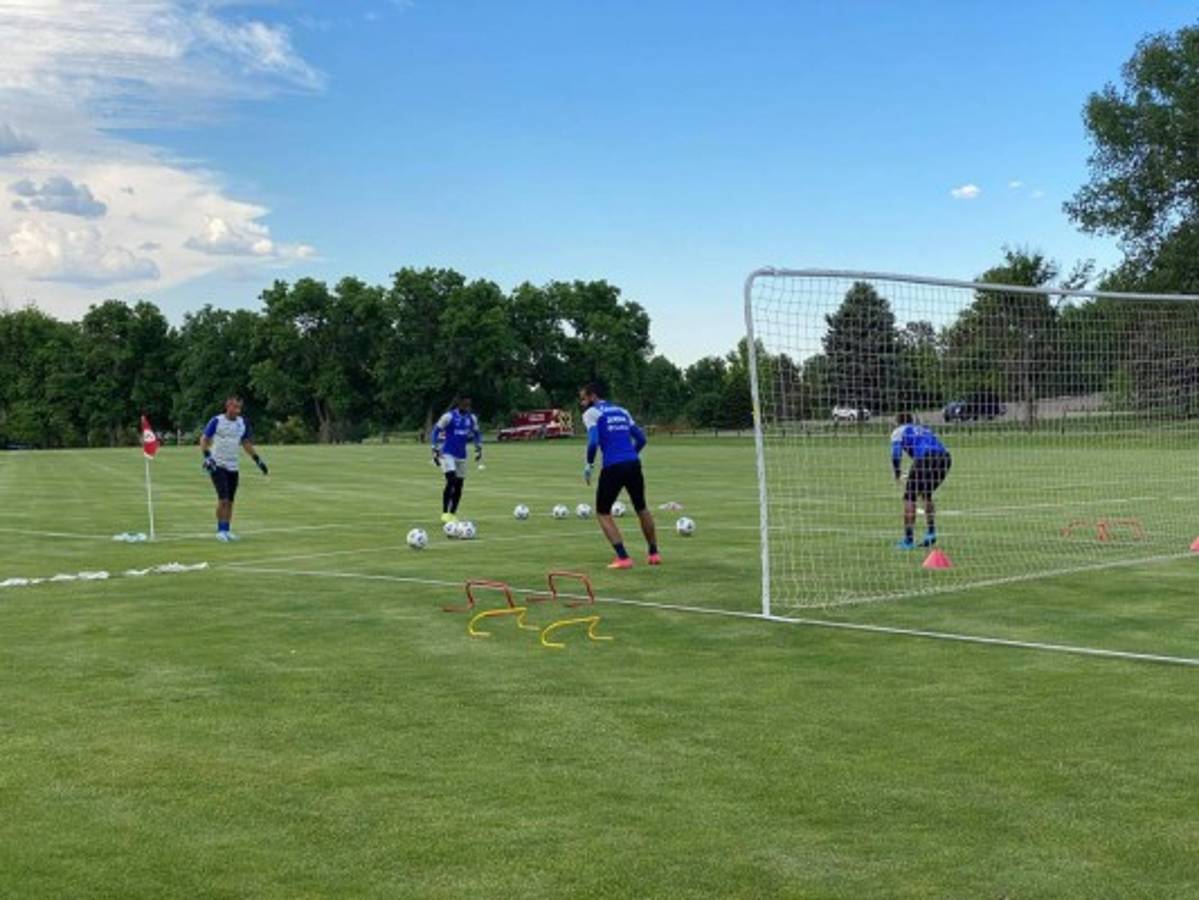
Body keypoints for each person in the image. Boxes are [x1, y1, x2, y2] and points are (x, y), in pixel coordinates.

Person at [580, 383, 660, 569]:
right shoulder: (622, 411)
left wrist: (589, 464)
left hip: (613, 466)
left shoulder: (591, 413)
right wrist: (630, 455)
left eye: (583, 398)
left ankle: (623, 557)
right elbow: (642, 439)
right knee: (641, 508)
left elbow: (593, 442)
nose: (582, 402)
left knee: (602, 512)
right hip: (633, 464)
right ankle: (654, 553)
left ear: (592, 397)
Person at [200, 394, 268, 542]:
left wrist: (258, 461)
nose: (237, 410)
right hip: (217, 464)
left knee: (230, 501)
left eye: (239, 407)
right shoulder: (217, 421)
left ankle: (227, 529)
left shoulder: (242, 423)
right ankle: (220, 530)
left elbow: (246, 443)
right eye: (235, 407)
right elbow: (204, 439)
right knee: (223, 499)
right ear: (228, 406)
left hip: (233, 466)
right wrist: (207, 457)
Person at [890, 412, 951, 550]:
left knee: (909, 498)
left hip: (925, 458)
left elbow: (896, 454)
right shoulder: (923, 429)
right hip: (945, 458)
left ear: (897, 422)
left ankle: (908, 540)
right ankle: (931, 532)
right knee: (926, 494)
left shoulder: (898, 431)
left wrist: (897, 472)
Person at [432, 395, 482, 524]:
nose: (467, 407)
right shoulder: (448, 417)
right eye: (465, 404)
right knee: (451, 479)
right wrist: (434, 447)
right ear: (459, 404)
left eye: (469, 405)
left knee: (459, 485)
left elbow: (477, 433)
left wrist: (478, 448)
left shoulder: (471, 418)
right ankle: (444, 513)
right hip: (447, 453)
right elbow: (436, 430)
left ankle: (453, 513)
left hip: (462, 456)